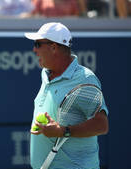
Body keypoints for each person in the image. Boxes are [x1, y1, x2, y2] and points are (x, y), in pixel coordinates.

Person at [24, 22, 109, 169]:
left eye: (37, 44)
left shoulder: (85, 79)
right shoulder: (45, 74)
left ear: (53, 47)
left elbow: (101, 125)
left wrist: (63, 131)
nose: (34, 50)